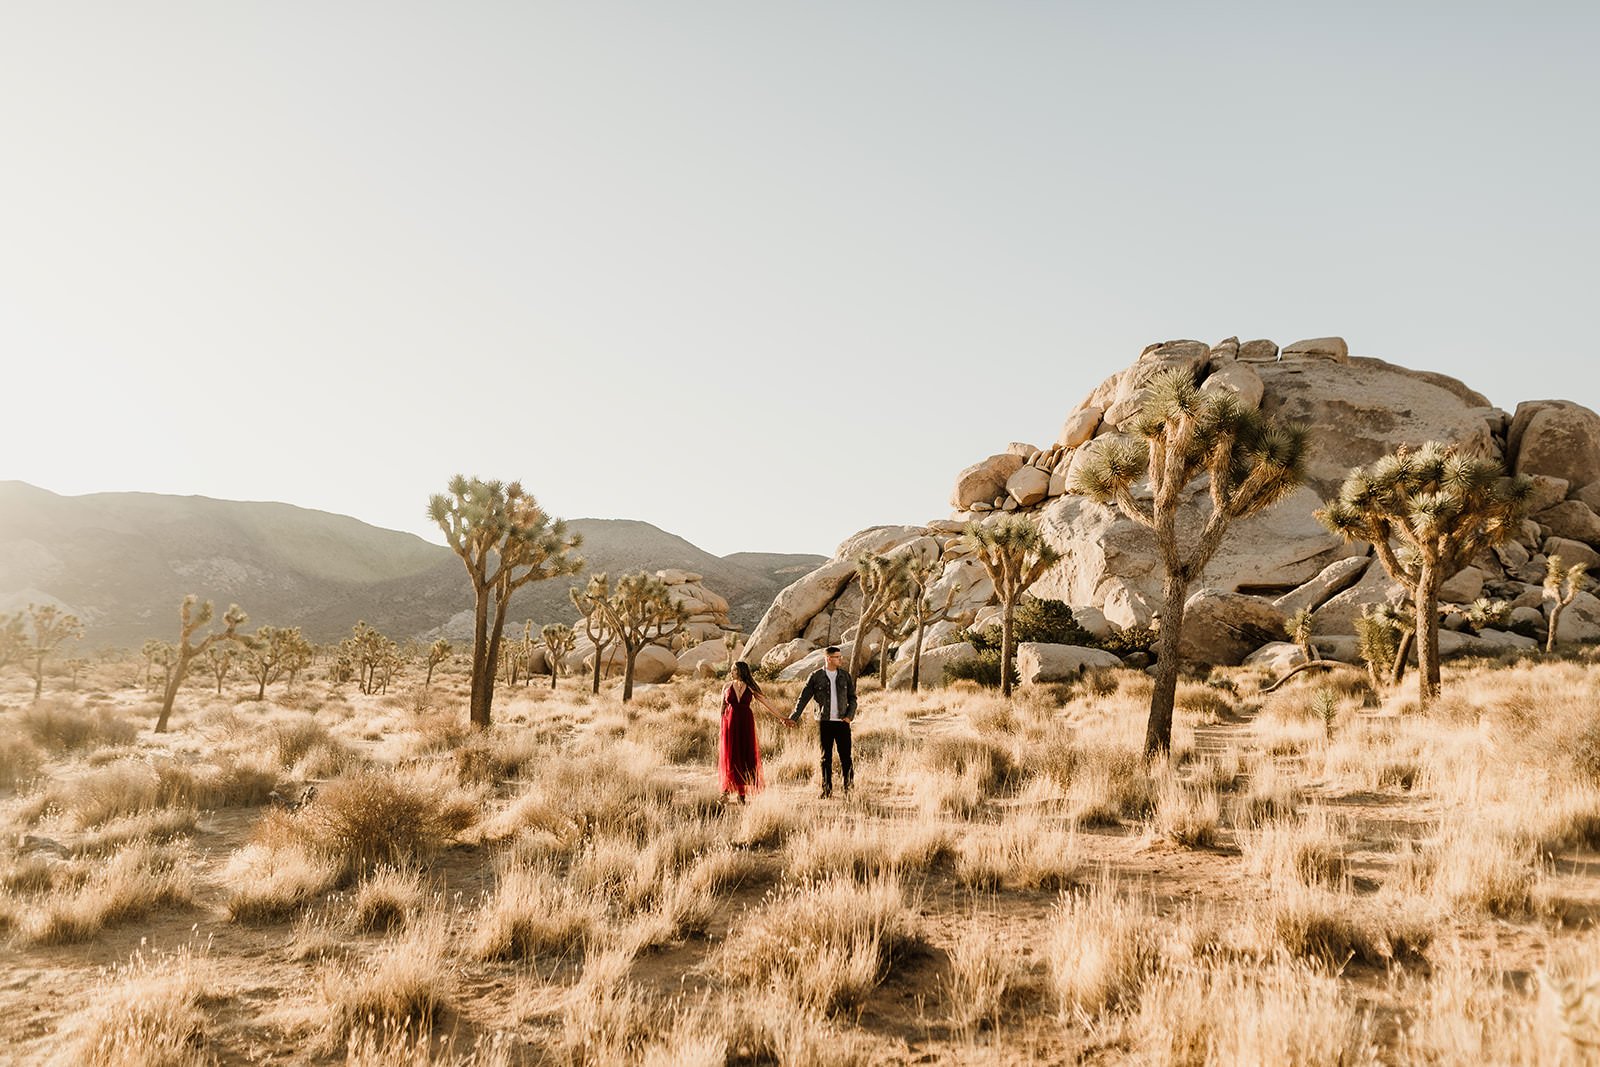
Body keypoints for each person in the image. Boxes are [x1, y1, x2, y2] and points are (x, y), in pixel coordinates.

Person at [719, 660, 792, 803]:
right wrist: (721, 729)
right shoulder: (726, 686)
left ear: (740, 671)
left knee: (745, 754)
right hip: (730, 725)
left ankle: (741, 794)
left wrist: (782, 718)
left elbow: (767, 703)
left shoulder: (751, 687)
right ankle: (725, 792)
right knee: (731, 755)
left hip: (745, 724)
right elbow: (722, 708)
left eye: (734, 670)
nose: (731, 672)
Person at [789, 645, 857, 798]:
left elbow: (853, 698)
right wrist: (794, 717)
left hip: (842, 722)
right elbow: (803, 698)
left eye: (840, 656)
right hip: (824, 722)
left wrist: (849, 716)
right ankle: (826, 790)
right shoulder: (816, 676)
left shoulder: (845, 676)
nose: (841, 659)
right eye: (837, 657)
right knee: (825, 757)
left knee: (846, 756)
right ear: (828, 658)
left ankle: (849, 790)